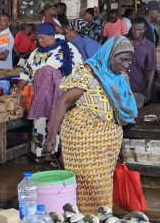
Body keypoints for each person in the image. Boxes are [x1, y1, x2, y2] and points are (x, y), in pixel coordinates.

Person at [46, 38, 137, 212]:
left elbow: (116, 115)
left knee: (103, 186)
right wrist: (52, 135)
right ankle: (84, 220)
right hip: (83, 139)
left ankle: (97, 221)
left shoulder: (119, 77)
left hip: (108, 144)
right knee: (89, 186)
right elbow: (64, 101)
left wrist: (121, 147)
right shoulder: (88, 72)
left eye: (129, 61)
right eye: (122, 59)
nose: (126, 65)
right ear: (109, 55)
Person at [23, 22, 79, 160]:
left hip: (60, 93)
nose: (40, 41)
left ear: (52, 36)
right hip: (41, 95)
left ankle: (55, 154)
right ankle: (41, 153)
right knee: (40, 120)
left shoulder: (67, 48)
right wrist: (18, 86)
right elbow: (27, 72)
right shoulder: (36, 53)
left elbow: (79, 69)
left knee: (57, 119)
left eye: (44, 38)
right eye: (38, 38)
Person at [126, 17, 157, 110]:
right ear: (131, 28)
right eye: (134, 29)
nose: (136, 32)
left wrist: (149, 88)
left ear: (145, 30)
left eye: (140, 29)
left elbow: (151, 69)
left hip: (138, 86)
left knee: (135, 112)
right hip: (120, 85)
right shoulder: (122, 41)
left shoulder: (149, 46)